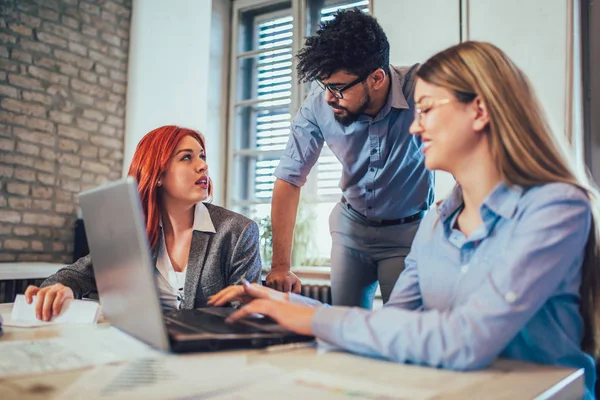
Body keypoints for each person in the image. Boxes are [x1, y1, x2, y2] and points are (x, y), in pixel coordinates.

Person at [210, 41, 600, 398]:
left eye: (427, 109)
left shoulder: (556, 209)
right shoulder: (436, 222)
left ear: (479, 110)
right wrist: (284, 303)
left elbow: (466, 340)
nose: (414, 125)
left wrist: (310, 318)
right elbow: (392, 325)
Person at [267, 9, 434, 308]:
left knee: (401, 330)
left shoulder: (423, 90)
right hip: (350, 229)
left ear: (377, 78)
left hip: (407, 233)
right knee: (343, 325)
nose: (330, 97)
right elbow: (289, 179)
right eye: (324, 85)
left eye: (338, 88)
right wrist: (280, 265)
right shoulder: (319, 105)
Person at [25, 125, 262, 321]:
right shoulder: (132, 230)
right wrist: (62, 288)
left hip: (211, 357)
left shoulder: (238, 232)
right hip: (142, 350)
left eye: (202, 156)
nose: (202, 165)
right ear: (157, 175)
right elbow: (79, 273)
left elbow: (246, 315)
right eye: (187, 157)